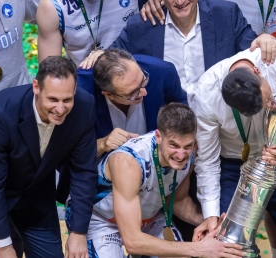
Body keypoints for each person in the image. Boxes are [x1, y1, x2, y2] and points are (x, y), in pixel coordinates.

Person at [190, 48, 276, 257]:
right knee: (230, 251)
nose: (271, 105)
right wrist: (211, 214)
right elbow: (207, 161)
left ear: (257, 71)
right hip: (234, 169)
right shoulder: (206, 94)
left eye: (268, 98)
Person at [0, 56, 98, 258]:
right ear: (36, 87)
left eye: (67, 100)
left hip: (37, 199)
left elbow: (83, 171)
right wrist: (4, 246)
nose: (60, 109)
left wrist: (78, 232)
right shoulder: (1, 112)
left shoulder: (84, 107)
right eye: (52, 100)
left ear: (75, 90)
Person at [83, 103, 243, 257]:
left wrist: (208, 221)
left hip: (149, 217)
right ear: (158, 136)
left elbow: (177, 200)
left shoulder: (191, 153)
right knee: (188, 250)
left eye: (187, 146)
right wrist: (198, 249)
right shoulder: (128, 162)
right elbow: (132, 241)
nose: (181, 155)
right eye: (174, 145)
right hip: (102, 219)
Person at [108, 0, 276, 99]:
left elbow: (251, 50)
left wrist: (265, 39)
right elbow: (110, 60)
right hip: (166, 125)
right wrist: (98, 56)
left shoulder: (226, 15)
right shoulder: (141, 25)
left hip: (219, 121)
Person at [55, 48, 187, 205]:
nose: (144, 92)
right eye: (133, 93)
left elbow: (185, 124)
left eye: (144, 81)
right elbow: (61, 154)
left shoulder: (162, 72)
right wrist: (101, 144)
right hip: (98, 193)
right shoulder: (78, 95)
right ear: (108, 94)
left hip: (156, 185)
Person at [37, 0, 161, 66]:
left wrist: (159, 1)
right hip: (92, 82)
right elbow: (50, 72)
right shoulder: (52, 5)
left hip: (140, 68)